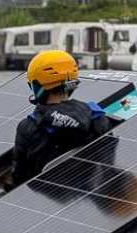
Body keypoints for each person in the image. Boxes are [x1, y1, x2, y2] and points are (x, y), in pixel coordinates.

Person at [10, 49, 114, 185]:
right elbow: (109, 160)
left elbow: (20, 177)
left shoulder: (28, 126)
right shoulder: (97, 116)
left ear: (36, 86)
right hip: (91, 195)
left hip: (43, 199)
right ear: (72, 83)